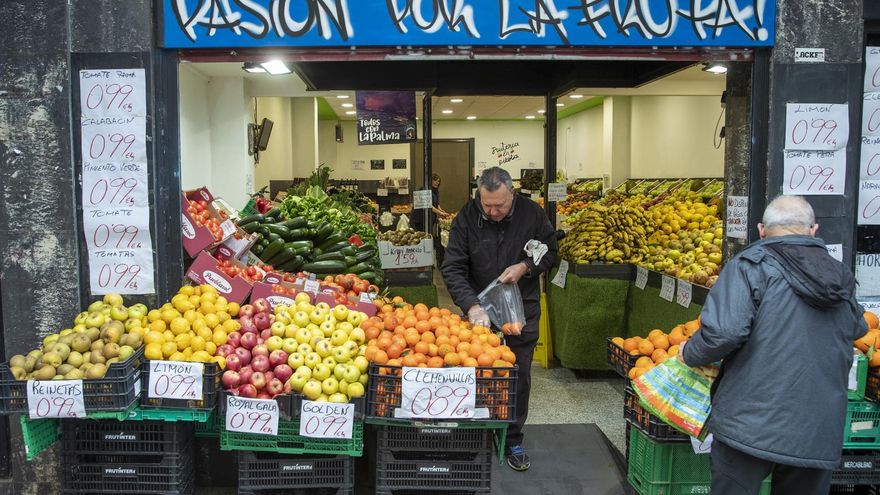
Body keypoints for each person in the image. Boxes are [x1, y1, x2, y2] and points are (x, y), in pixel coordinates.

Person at [680, 195, 866, 495]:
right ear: (813, 230)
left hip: (750, 419)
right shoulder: (838, 274)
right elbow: (858, 327)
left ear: (761, 230)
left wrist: (689, 353)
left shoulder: (749, 266)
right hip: (816, 426)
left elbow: (724, 332)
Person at [441, 166, 557, 472]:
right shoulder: (466, 217)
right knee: (473, 373)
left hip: (521, 310)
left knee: (517, 377)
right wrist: (471, 306)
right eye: (487, 205)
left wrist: (525, 267)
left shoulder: (532, 215)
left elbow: (550, 251)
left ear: (512, 194)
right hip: (478, 313)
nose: (492, 212)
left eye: (500, 206)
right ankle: (474, 435)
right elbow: (452, 267)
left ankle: (513, 439)